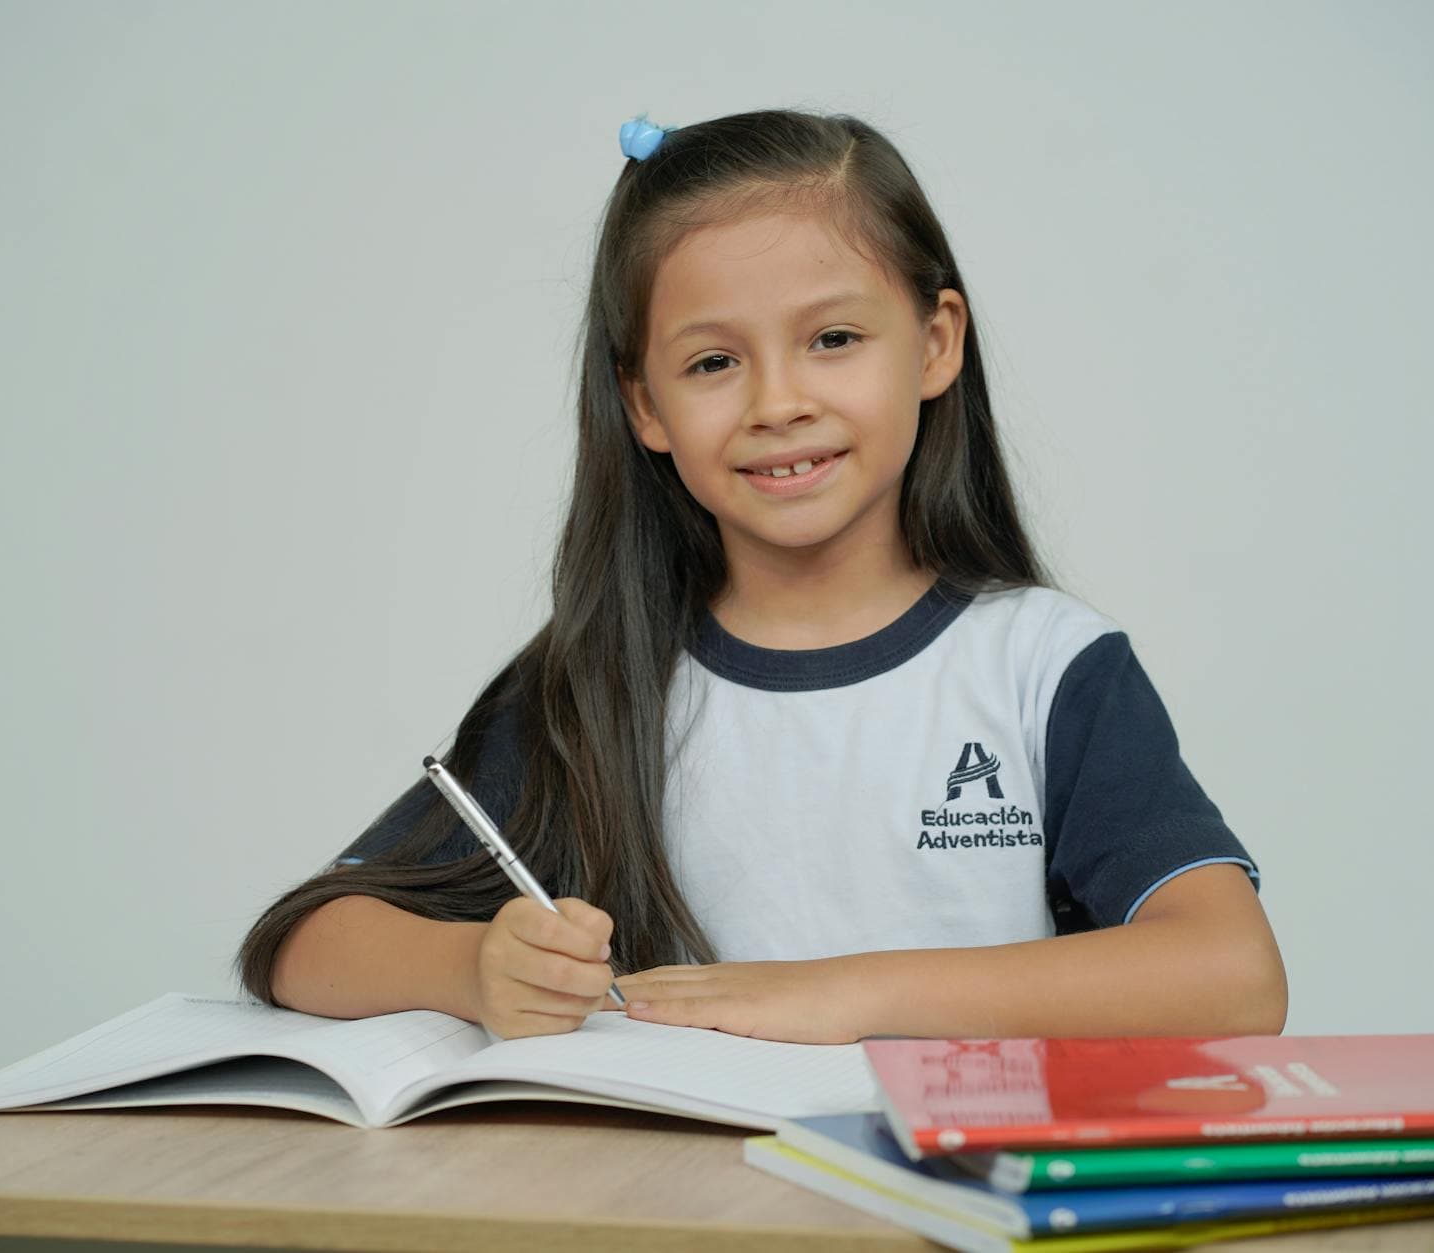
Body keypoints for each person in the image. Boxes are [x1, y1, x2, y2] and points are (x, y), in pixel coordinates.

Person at [236, 108, 1287, 1045]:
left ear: (933, 343)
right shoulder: (593, 677)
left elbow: (1231, 974)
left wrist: (838, 994)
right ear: (643, 405)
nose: (777, 400)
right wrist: (473, 968)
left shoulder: (1045, 666)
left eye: (831, 338)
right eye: (711, 362)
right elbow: (301, 942)